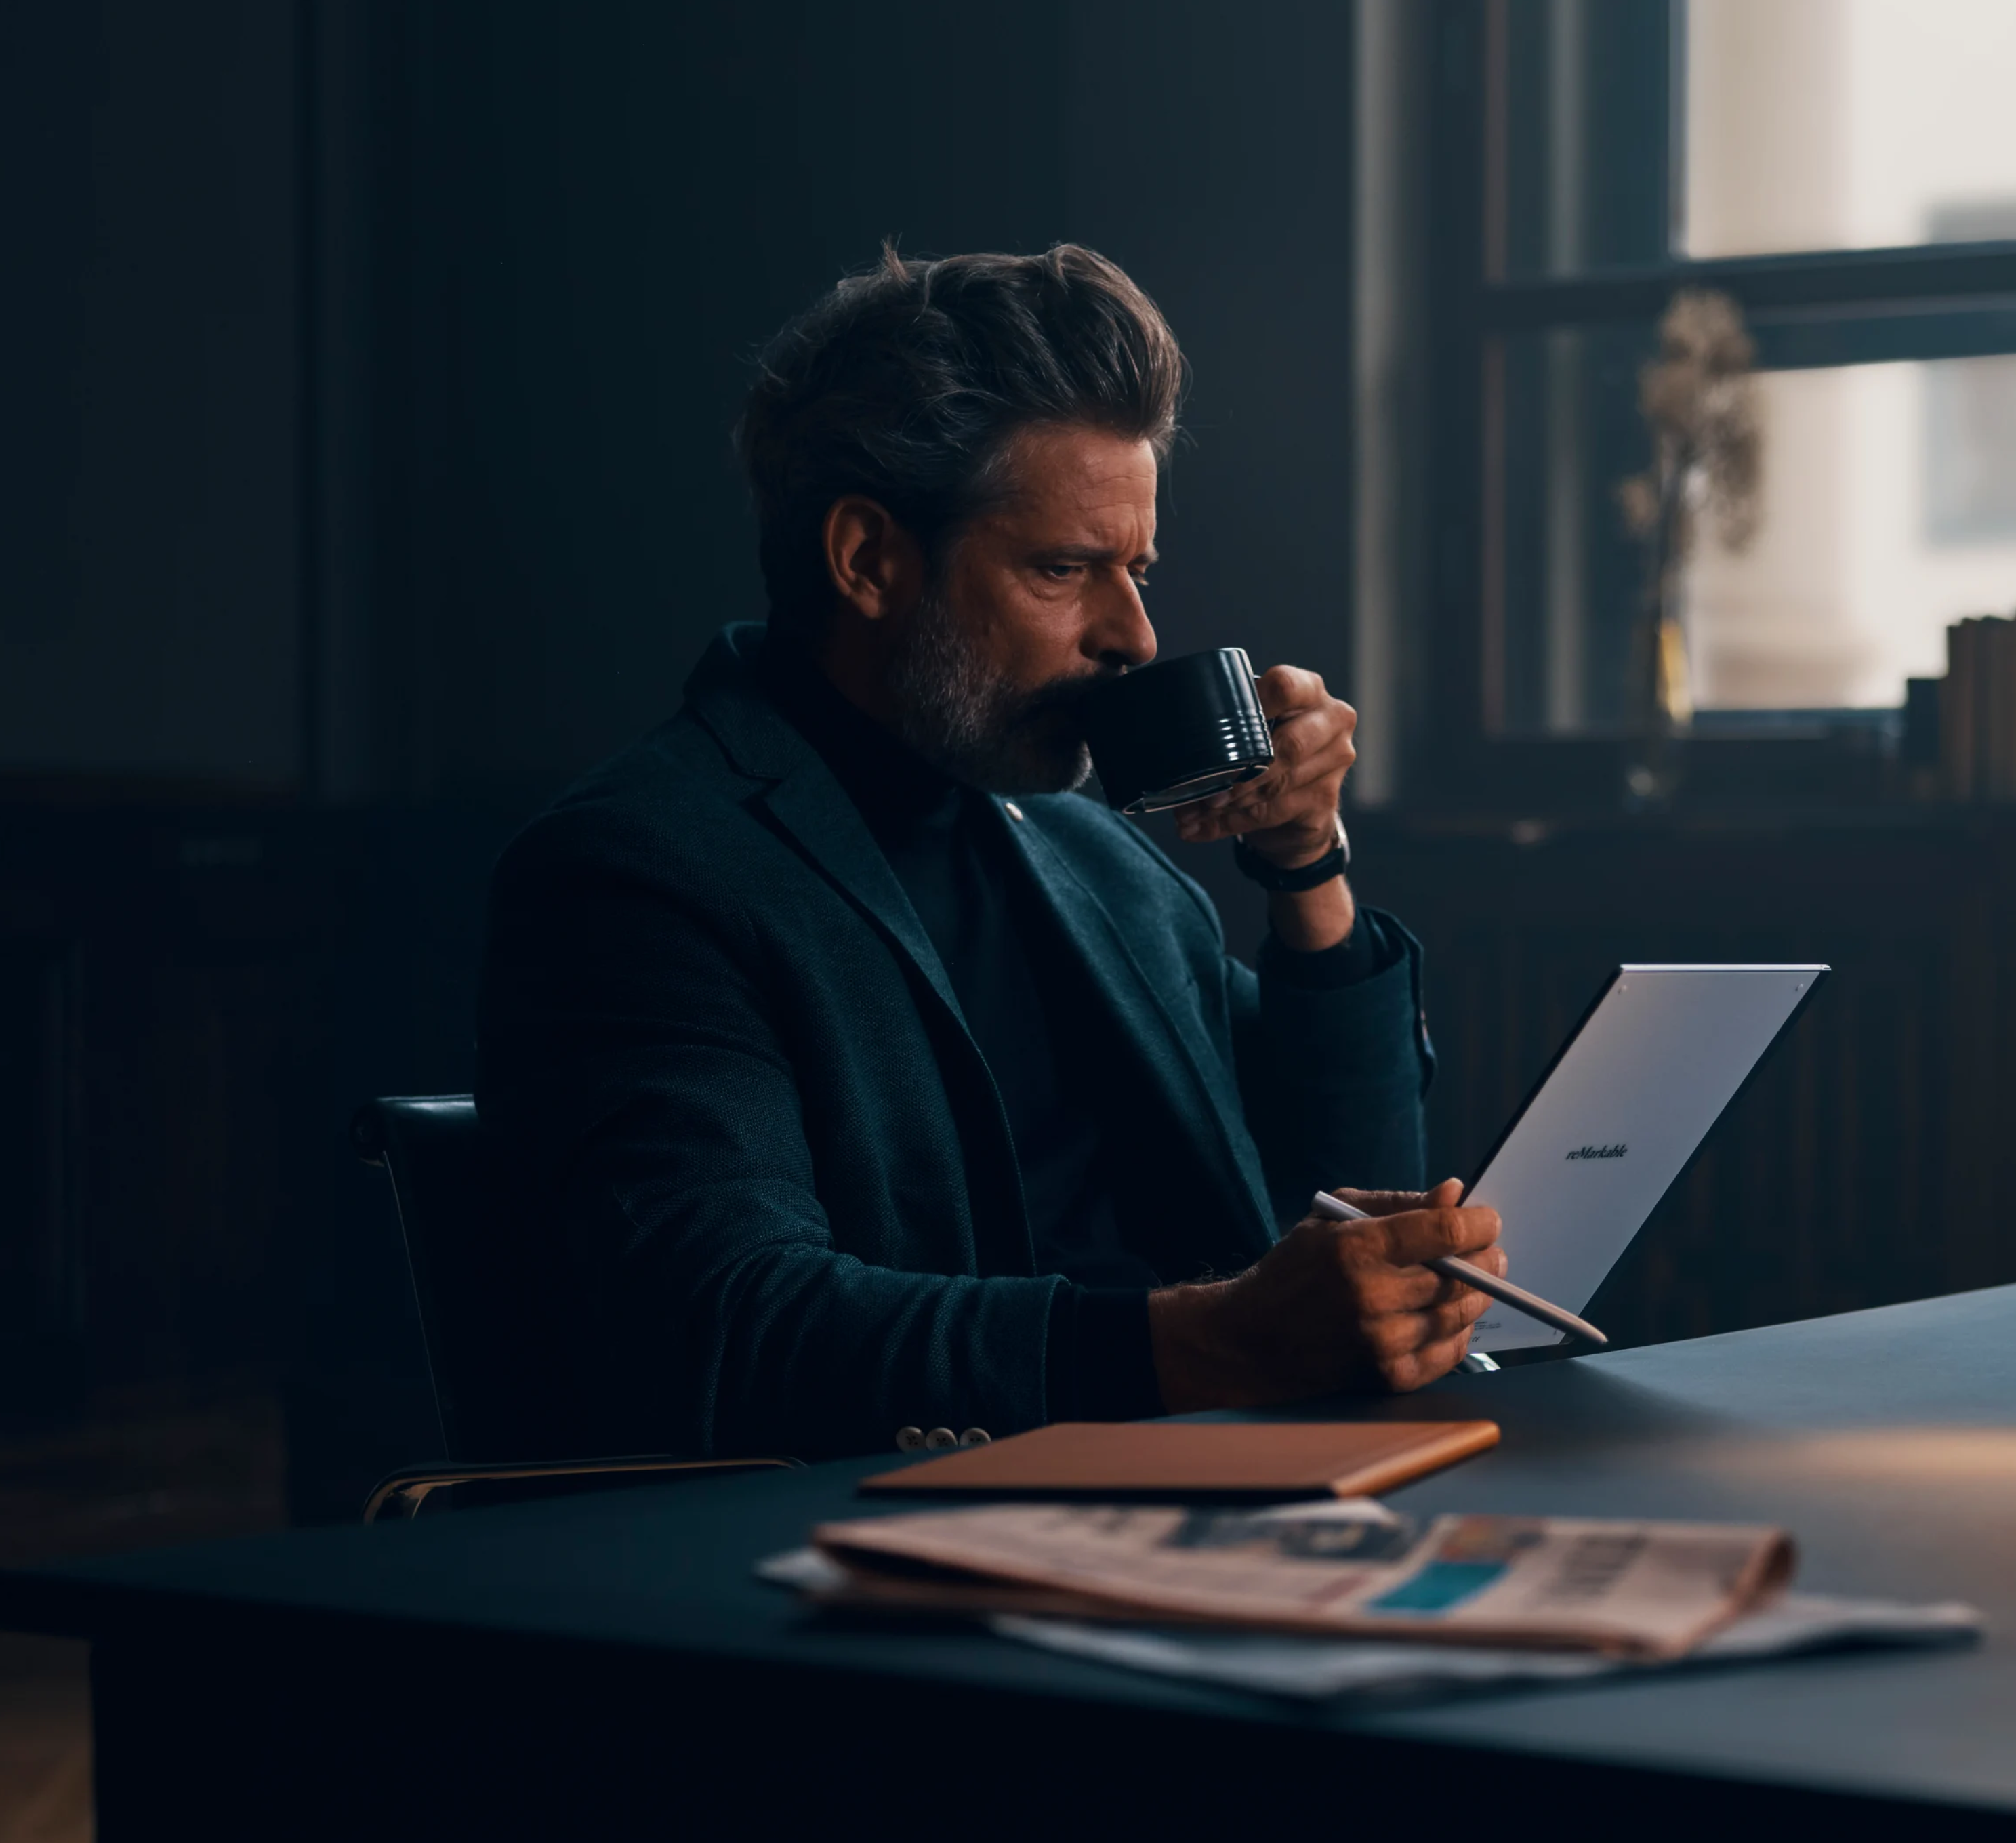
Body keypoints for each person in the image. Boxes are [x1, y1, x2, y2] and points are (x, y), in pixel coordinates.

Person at [476, 244, 1500, 1460]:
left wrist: (1307, 871)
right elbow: (728, 1327)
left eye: (1137, 571)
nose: (1134, 636)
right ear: (867, 561)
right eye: (1064, 571)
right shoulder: (643, 873)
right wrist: (1212, 1345)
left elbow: (1344, 1187)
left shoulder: (1092, 853)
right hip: (892, 1550)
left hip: (1232, 1484)